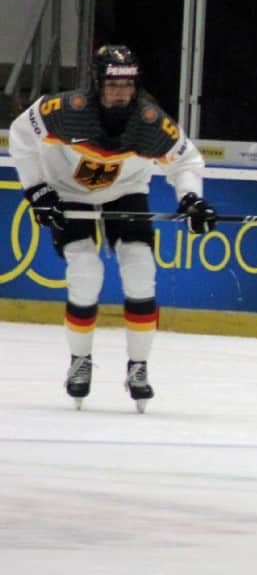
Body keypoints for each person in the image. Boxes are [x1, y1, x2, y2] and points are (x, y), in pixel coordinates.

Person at [7, 44, 214, 411]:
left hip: (125, 190)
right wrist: (36, 189)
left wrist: (192, 200)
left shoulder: (151, 122)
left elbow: (186, 162)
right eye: (113, 84)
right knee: (85, 271)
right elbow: (21, 133)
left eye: (128, 84)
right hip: (68, 191)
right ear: (97, 83)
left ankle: (139, 367)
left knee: (141, 268)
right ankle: (80, 360)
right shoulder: (65, 110)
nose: (121, 92)